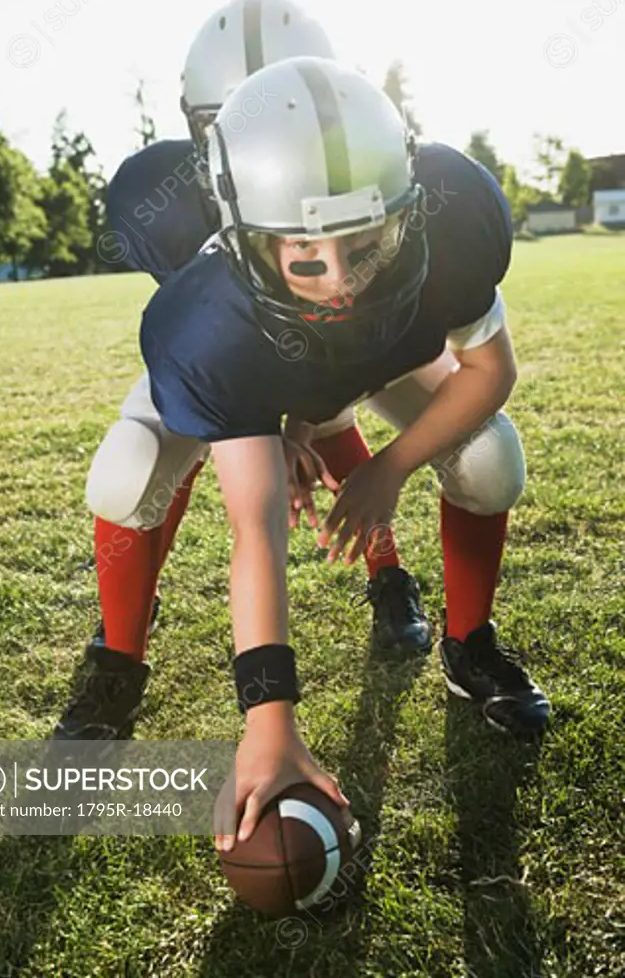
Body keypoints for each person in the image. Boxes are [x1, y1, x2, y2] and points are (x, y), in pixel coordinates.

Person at [123, 56, 552, 849]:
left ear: (411, 207)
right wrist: (270, 720)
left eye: (369, 242)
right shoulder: (209, 321)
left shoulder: (453, 224)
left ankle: (470, 646)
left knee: (491, 461)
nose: (344, 282)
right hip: (272, 361)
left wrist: (389, 467)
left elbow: (490, 371)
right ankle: (115, 657)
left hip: (386, 359)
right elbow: (256, 530)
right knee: (125, 472)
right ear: (245, 234)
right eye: (308, 257)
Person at [53, 0, 429, 743]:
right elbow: (215, 370)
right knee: (128, 470)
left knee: (444, 445)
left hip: (348, 345)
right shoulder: (161, 201)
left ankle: (390, 579)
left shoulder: (372, 187)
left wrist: (295, 423)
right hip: (232, 356)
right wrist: (260, 432)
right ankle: (117, 657)